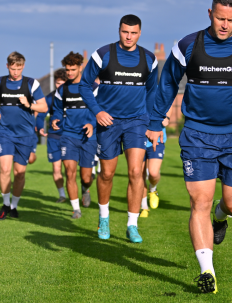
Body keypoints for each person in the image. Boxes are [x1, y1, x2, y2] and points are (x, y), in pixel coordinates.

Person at [146, 0, 232, 294]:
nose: (225, 25)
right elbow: (167, 84)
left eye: (231, 19)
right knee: (199, 202)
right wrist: (154, 122)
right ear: (209, 13)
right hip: (198, 135)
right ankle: (207, 271)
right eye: (220, 18)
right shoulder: (188, 46)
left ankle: (221, 218)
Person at [79, 14, 158, 243]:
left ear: (140, 33)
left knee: (136, 172)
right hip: (109, 122)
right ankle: (104, 218)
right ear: (119, 31)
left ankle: (132, 224)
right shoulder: (103, 54)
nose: (129, 37)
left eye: (133, 33)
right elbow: (84, 85)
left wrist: (152, 122)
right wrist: (98, 112)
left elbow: (152, 92)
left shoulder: (149, 58)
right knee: (107, 173)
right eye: (125, 32)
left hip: (137, 121)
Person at [0, 52, 48, 220]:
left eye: (19, 68)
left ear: (23, 66)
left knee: (19, 173)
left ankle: (14, 206)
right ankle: (5, 204)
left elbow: (43, 107)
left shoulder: (31, 84)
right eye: (13, 68)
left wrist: (29, 104)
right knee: (5, 169)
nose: (15, 72)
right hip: (4, 133)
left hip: (25, 136)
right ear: (7, 66)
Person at [51, 52, 98, 219]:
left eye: (72, 69)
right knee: (69, 172)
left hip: (89, 137)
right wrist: (56, 118)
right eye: (67, 69)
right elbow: (57, 108)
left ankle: (86, 188)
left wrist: (92, 124)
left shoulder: (93, 87)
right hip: (69, 136)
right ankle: (76, 209)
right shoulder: (62, 89)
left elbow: (101, 110)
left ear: (80, 67)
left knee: (85, 177)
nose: (69, 73)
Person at [37, 68, 67, 203]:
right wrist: (39, 127)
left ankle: (84, 190)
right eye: (57, 84)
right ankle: (62, 195)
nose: (59, 86)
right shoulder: (50, 98)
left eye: (62, 84)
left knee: (70, 168)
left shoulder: (76, 95)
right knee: (56, 168)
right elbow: (41, 114)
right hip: (54, 137)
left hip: (70, 137)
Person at [139, 115, 169, 218]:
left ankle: (153, 189)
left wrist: (168, 117)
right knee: (139, 175)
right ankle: (144, 207)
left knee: (153, 173)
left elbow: (170, 101)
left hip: (157, 138)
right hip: (137, 138)